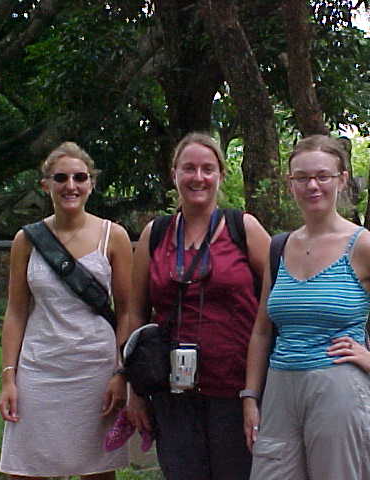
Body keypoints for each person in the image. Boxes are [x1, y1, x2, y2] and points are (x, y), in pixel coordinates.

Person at [243, 135, 370, 480]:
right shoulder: (279, 247)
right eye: (302, 177)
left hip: (338, 389)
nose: (312, 185)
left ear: (341, 179)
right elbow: (263, 330)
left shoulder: (364, 246)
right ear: (290, 183)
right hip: (280, 389)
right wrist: (250, 396)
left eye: (323, 176)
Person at [126, 132, 271, 480]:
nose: (198, 177)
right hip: (171, 388)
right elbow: (134, 312)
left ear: (220, 175)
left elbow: (282, 296)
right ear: (174, 173)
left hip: (235, 387)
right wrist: (132, 386)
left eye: (208, 169)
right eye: (188, 168)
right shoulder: (156, 234)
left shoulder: (242, 228)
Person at [0, 142, 132, 479]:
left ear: (91, 183)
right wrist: (9, 379)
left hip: (95, 371)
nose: (70, 186)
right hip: (39, 369)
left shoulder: (112, 237)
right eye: (61, 178)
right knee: (25, 469)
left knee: (97, 470)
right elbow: (15, 312)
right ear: (46, 185)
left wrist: (121, 372)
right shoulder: (26, 240)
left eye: (79, 177)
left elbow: (128, 312)